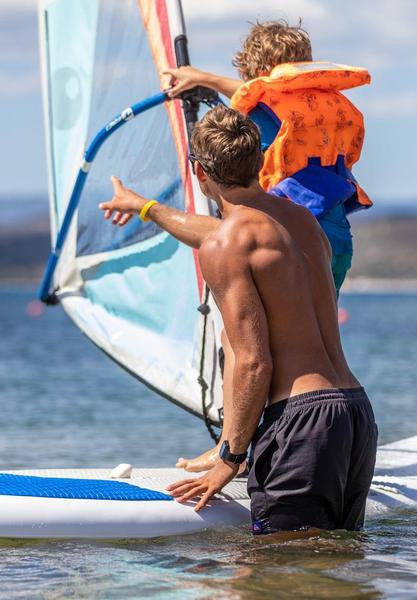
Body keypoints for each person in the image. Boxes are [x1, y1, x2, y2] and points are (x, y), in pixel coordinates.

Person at [99, 105, 377, 534]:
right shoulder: (304, 222)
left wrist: (230, 457)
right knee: (336, 560)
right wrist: (145, 207)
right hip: (354, 414)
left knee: (277, 565)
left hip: (301, 422)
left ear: (199, 172)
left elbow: (253, 362)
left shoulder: (227, 245)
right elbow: (231, 232)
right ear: (260, 161)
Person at [162, 20, 373, 472]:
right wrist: (206, 79)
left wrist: (201, 80)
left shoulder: (265, 111)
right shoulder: (325, 106)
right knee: (311, 339)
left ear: (258, 70)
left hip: (288, 239)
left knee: (239, 342)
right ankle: (314, 437)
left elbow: (246, 115)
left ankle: (231, 447)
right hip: (335, 239)